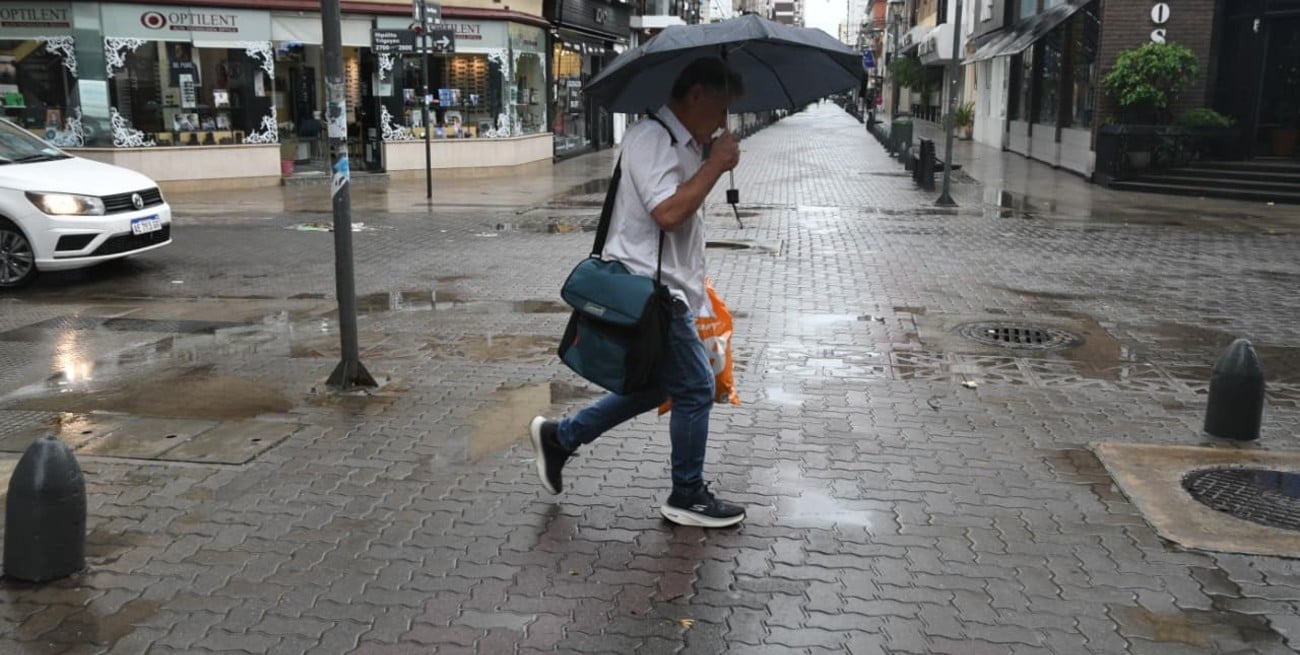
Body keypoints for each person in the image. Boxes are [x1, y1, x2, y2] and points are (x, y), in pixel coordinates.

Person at [530, 58, 745, 528]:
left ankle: (560, 438)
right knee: (695, 388)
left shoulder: (688, 144)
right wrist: (714, 166)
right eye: (721, 106)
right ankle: (686, 493)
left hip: (672, 291)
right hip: (652, 293)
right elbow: (668, 212)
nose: (724, 119)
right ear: (695, 96)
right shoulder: (652, 139)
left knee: (658, 385)